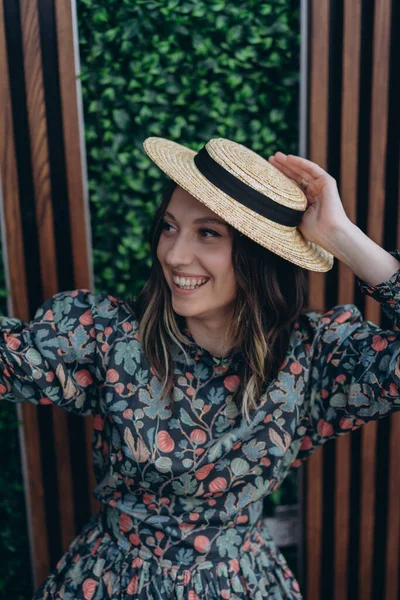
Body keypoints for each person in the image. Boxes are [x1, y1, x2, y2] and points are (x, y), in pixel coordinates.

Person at [1, 136, 399, 600]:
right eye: (170, 227)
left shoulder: (312, 359)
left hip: (243, 584)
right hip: (112, 580)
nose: (172, 255)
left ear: (259, 253)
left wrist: (341, 237)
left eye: (208, 233)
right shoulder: (106, 336)